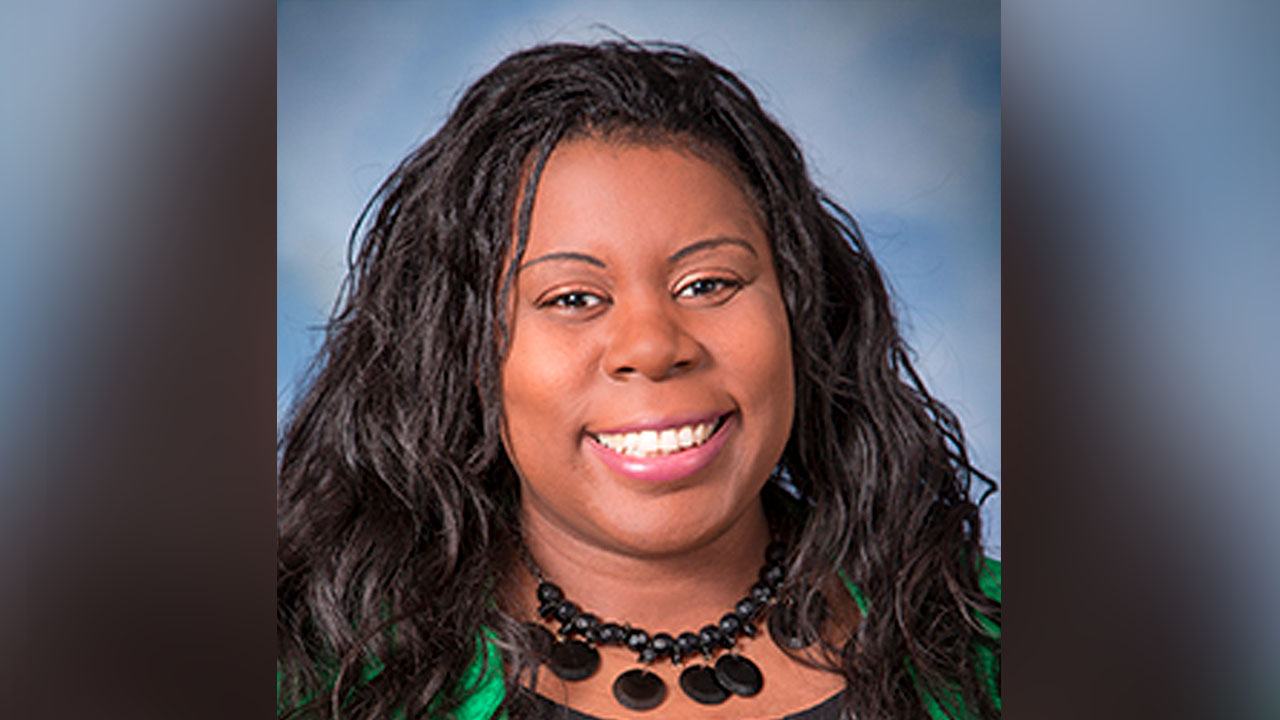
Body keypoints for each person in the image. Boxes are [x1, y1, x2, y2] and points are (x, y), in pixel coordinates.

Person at [277, 39, 1000, 720]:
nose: (653, 347)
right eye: (572, 299)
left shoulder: (993, 643)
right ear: (458, 351)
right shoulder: (310, 672)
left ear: (802, 314)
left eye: (708, 283)